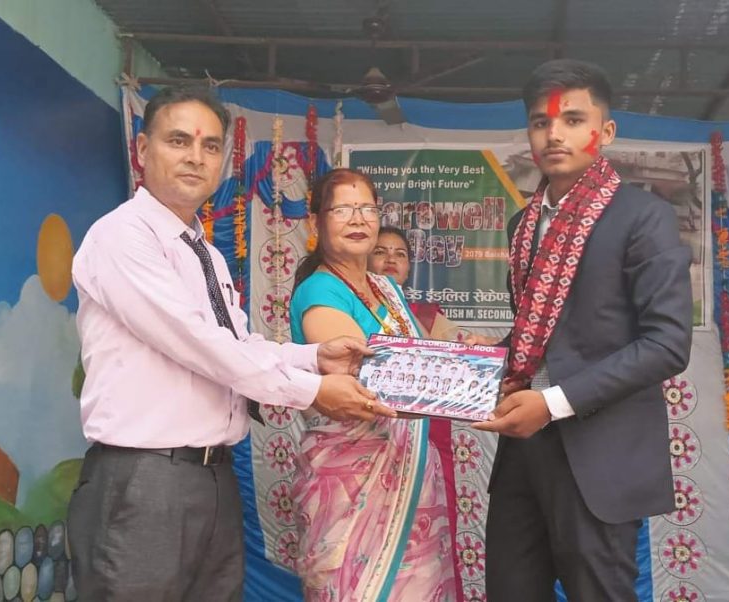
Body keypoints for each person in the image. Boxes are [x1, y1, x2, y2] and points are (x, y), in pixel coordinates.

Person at [67, 87, 392, 602]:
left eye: (211, 146)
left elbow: (235, 343)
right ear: (143, 150)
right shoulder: (121, 237)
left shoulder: (205, 253)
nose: (196, 157)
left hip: (211, 477)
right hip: (143, 480)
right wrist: (312, 390)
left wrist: (314, 356)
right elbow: (200, 346)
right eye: (179, 141)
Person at [473, 59, 693, 601]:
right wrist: (486, 359)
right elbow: (539, 335)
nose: (554, 134)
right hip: (523, 453)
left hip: (599, 452)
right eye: (541, 122)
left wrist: (551, 403)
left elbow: (667, 343)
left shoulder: (642, 216)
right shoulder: (523, 224)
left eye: (573, 120)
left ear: (606, 131)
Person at [289, 168, 458, 601]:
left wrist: (469, 361)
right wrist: (463, 378)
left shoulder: (386, 289)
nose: (358, 219)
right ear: (315, 222)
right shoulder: (320, 291)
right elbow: (369, 379)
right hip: (350, 483)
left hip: (410, 478)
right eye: (342, 209)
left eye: (366, 208)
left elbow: (417, 364)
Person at [369, 225, 497, 344]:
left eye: (400, 254)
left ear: (408, 269)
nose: (391, 259)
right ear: (364, 261)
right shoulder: (358, 306)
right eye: (380, 252)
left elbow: (461, 349)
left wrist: (483, 342)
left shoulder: (428, 318)